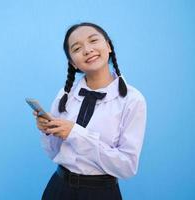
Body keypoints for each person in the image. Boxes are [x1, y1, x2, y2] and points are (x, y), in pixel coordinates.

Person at [33, 22, 147, 200]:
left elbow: (127, 167)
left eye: (93, 40)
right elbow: (54, 153)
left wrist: (75, 133)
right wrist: (48, 131)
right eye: (77, 48)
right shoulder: (65, 94)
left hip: (100, 192)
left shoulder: (132, 99)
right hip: (58, 188)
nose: (87, 50)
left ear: (108, 46)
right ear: (73, 62)